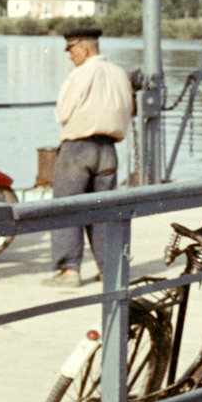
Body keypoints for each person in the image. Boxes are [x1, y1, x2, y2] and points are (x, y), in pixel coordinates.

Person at [47, 24, 132, 288]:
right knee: (103, 210)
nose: (70, 56)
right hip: (108, 149)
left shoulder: (80, 74)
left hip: (78, 148)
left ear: (84, 48)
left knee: (66, 208)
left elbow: (62, 114)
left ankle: (69, 271)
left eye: (71, 50)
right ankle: (109, 269)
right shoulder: (120, 74)